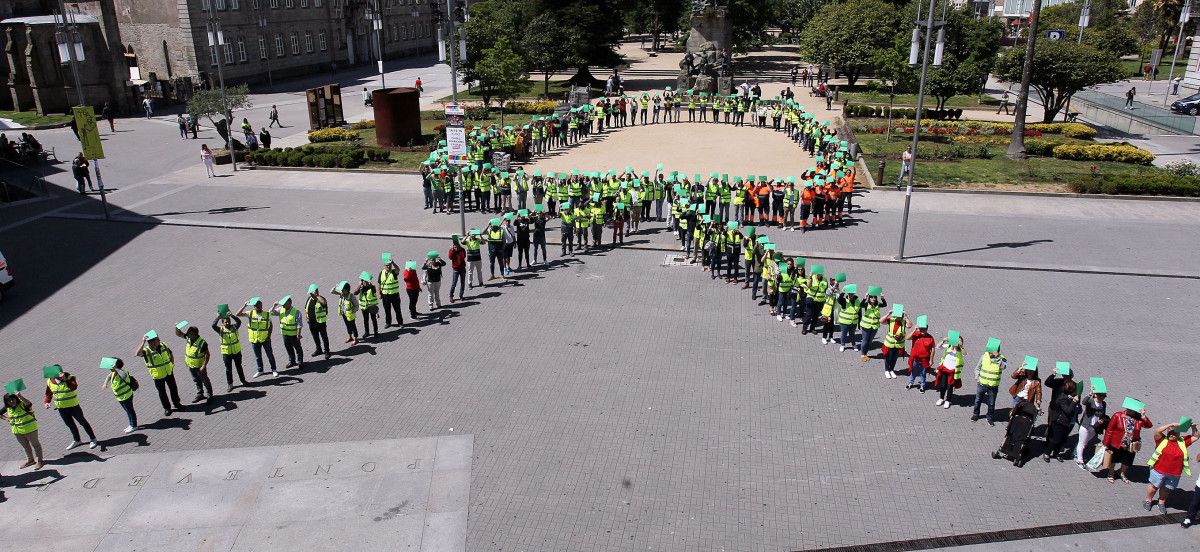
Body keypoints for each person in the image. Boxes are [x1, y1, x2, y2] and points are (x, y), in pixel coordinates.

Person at [1145, 418, 1197, 514]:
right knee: (1154, 487)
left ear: (1179, 434)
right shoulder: (1161, 439)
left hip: (1174, 473)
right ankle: (1148, 500)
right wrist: (1170, 424)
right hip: (1158, 470)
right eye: (1170, 432)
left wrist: (1193, 428)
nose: (1172, 434)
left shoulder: (1183, 442)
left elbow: (1196, 436)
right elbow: (1157, 431)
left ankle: (1161, 503)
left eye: (1175, 433)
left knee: (1166, 489)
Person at [41, 365, 98, 450]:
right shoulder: (50, 381)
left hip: (74, 406)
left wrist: (65, 379)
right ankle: (77, 440)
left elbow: (73, 387)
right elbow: (48, 393)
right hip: (61, 408)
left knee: (83, 422)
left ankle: (93, 439)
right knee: (70, 425)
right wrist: (46, 402)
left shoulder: (70, 377)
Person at [1102, 399, 1152, 483]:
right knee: (1114, 459)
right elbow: (1109, 430)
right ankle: (1111, 473)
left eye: (1132, 410)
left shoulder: (1139, 419)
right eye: (1129, 408)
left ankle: (1121, 473)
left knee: (1127, 461)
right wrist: (1106, 443)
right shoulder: (1118, 415)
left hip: (1131, 444)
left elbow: (1149, 425)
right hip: (1117, 442)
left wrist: (1143, 416)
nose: (1130, 410)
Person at [136, 330, 182, 416]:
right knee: (162, 392)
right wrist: (143, 342)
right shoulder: (146, 351)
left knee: (173, 389)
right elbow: (137, 354)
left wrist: (172, 364)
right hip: (158, 376)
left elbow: (170, 354)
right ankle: (167, 408)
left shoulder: (163, 345)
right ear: (152, 342)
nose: (159, 340)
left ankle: (177, 404)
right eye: (157, 339)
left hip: (169, 372)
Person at [1042, 363, 1078, 461]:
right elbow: (1047, 383)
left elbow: (1076, 397)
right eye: (1065, 375)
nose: (1066, 377)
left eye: (1068, 376)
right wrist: (1053, 374)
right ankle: (1048, 445)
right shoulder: (1058, 382)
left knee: (1061, 433)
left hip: (1066, 413)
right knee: (1051, 428)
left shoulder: (1074, 385)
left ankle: (1055, 450)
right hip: (1054, 409)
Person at [237, 298, 278, 378]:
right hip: (255, 339)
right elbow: (238, 314)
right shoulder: (250, 313)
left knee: (270, 355)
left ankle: (274, 370)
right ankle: (260, 370)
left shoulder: (266, 314)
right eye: (257, 306)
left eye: (260, 306)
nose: (259, 307)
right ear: (254, 307)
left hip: (265, 339)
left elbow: (270, 325)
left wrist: (269, 335)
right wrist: (244, 305)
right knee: (258, 356)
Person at [2, 389, 44, 469]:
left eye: (12, 399)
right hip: (17, 432)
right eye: (9, 401)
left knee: (36, 445)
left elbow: (29, 404)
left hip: (30, 430)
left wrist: (20, 396)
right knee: (25, 446)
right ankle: (30, 460)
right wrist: (6, 418)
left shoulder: (22, 404)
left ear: (16, 398)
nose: (11, 401)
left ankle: (40, 461)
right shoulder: (8, 408)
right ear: (6, 402)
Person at [212, 305, 249, 391]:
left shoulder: (234, 327)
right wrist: (218, 317)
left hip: (236, 351)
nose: (227, 323)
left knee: (239, 367)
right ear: (222, 323)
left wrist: (232, 315)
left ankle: (243, 381)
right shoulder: (220, 330)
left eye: (228, 321)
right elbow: (213, 325)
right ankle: (230, 384)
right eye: (225, 322)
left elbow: (239, 322)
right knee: (228, 369)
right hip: (227, 353)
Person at [174, 324, 214, 403]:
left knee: (205, 380)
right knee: (196, 380)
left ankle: (210, 394)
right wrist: (177, 327)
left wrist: (203, 366)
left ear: (195, 334)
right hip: (191, 365)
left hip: (199, 366)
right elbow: (178, 334)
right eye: (188, 333)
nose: (187, 335)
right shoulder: (189, 338)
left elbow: (207, 355)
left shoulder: (202, 343)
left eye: (190, 334)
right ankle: (200, 394)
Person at [971, 338, 1006, 426]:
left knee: (991, 403)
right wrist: (977, 378)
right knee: (977, 400)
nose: (990, 354)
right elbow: (977, 368)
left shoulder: (1002, 358)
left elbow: (1004, 367)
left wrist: (997, 357)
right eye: (990, 352)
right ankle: (975, 415)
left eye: (992, 352)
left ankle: (989, 417)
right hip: (981, 384)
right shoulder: (984, 356)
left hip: (993, 386)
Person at [99, 357, 138, 433]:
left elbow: (123, 376)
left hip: (126, 396)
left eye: (111, 367)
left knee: (130, 410)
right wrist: (105, 383)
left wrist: (116, 369)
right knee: (127, 410)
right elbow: (108, 376)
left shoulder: (122, 372)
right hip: (120, 397)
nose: (110, 369)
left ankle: (134, 426)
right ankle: (131, 424)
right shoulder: (113, 373)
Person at [1075, 378, 1108, 466]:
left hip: (1094, 427)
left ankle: (1076, 453)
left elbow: (1103, 414)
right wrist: (1090, 394)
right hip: (1086, 425)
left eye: (1104, 396)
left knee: (1085, 442)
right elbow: (1084, 402)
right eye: (1101, 396)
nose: (1102, 398)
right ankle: (1080, 460)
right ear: (1096, 395)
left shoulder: (1103, 404)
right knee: (1082, 443)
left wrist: (1102, 420)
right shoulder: (1091, 401)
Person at [272, 295, 305, 370]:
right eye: (283, 304)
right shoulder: (281, 309)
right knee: (289, 348)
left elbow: (299, 325)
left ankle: (300, 362)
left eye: (285, 304)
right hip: (285, 334)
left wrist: (298, 335)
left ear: (290, 303)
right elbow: (270, 313)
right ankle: (292, 361)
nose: (283, 305)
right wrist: (274, 306)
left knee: (298, 349)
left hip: (294, 335)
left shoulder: (296, 312)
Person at [933, 332, 964, 409]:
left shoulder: (959, 350)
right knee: (943, 385)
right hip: (945, 369)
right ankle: (941, 398)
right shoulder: (948, 346)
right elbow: (938, 347)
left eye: (960, 341)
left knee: (950, 387)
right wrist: (943, 340)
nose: (957, 342)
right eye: (957, 340)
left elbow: (965, 353)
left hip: (953, 371)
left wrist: (960, 346)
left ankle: (948, 400)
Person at [879, 305, 909, 379]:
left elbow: (909, 325)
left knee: (894, 359)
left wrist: (906, 317)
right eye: (898, 316)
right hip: (889, 344)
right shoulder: (891, 320)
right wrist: (888, 313)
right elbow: (881, 321)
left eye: (901, 316)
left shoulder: (904, 322)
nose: (899, 318)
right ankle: (886, 370)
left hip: (898, 345)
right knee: (888, 358)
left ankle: (891, 370)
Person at [905, 317, 935, 392]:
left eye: (923, 329)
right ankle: (910, 383)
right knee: (913, 371)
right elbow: (907, 338)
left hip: (924, 360)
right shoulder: (916, 334)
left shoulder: (930, 338)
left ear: (927, 328)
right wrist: (914, 330)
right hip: (914, 359)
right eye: (921, 329)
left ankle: (922, 385)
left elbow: (933, 350)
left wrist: (931, 360)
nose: (922, 331)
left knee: (923, 373)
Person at [305, 284, 331, 360]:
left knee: (324, 337)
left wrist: (316, 295)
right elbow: (305, 308)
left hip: (320, 322)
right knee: (315, 337)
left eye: (311, 292)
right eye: (310, 293)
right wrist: (306, 318)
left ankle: (327, 351)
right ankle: (318, 349)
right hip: (312, 323)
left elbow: (324, 303)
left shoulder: (321, 299)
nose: (310, 294)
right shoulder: (309, 299)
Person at [378, 253, 405, 327]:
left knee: (397, 310)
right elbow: (379, 284)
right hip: (385, 295)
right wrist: (379, 293)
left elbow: (398, 269)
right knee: (387, 310)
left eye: (389, 265)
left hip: (394, 295)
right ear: (384, 266)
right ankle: (388, 323)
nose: (388, 266)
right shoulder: (381, 273)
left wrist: (393, 262)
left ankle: (400, 323)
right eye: (387, 265)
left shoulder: (393, 272)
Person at [333, 281, 359, 346]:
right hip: (344, 314)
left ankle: (356, 339)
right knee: (348, 326)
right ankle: (350, 337)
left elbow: (356, 306)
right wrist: (336, 287)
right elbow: (332, 292)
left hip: (350, 315)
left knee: (353, 327)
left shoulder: (351, 296)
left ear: (347, 290)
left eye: (343, 290)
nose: (342, 291)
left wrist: (352, 311)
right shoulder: (342, 294)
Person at [356, 272, 381, 339]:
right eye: (364, 281)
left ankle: (376, 332)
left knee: (373, 319)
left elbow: (374, 290)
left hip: (371, 306)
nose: (365, 283)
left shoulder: (372, 287)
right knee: (365, 320)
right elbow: (355, 293)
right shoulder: (361, 288)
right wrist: (359, 286)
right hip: (364, 307)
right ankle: (367, 332)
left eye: (366, 281)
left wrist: (370, 284)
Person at [448, 235, 467, 302]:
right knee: (454, 283)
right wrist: (453, 251)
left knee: (462, 283)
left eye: (456, 247)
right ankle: (451, 296)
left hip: (462, 269)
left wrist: (460, 250)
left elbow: (463, 257)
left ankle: (461, 295)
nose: (455, 248)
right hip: (455, 269)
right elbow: (450, 257)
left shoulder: (462, 250)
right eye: (454, 247)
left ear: (459, 246)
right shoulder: (451, 251)